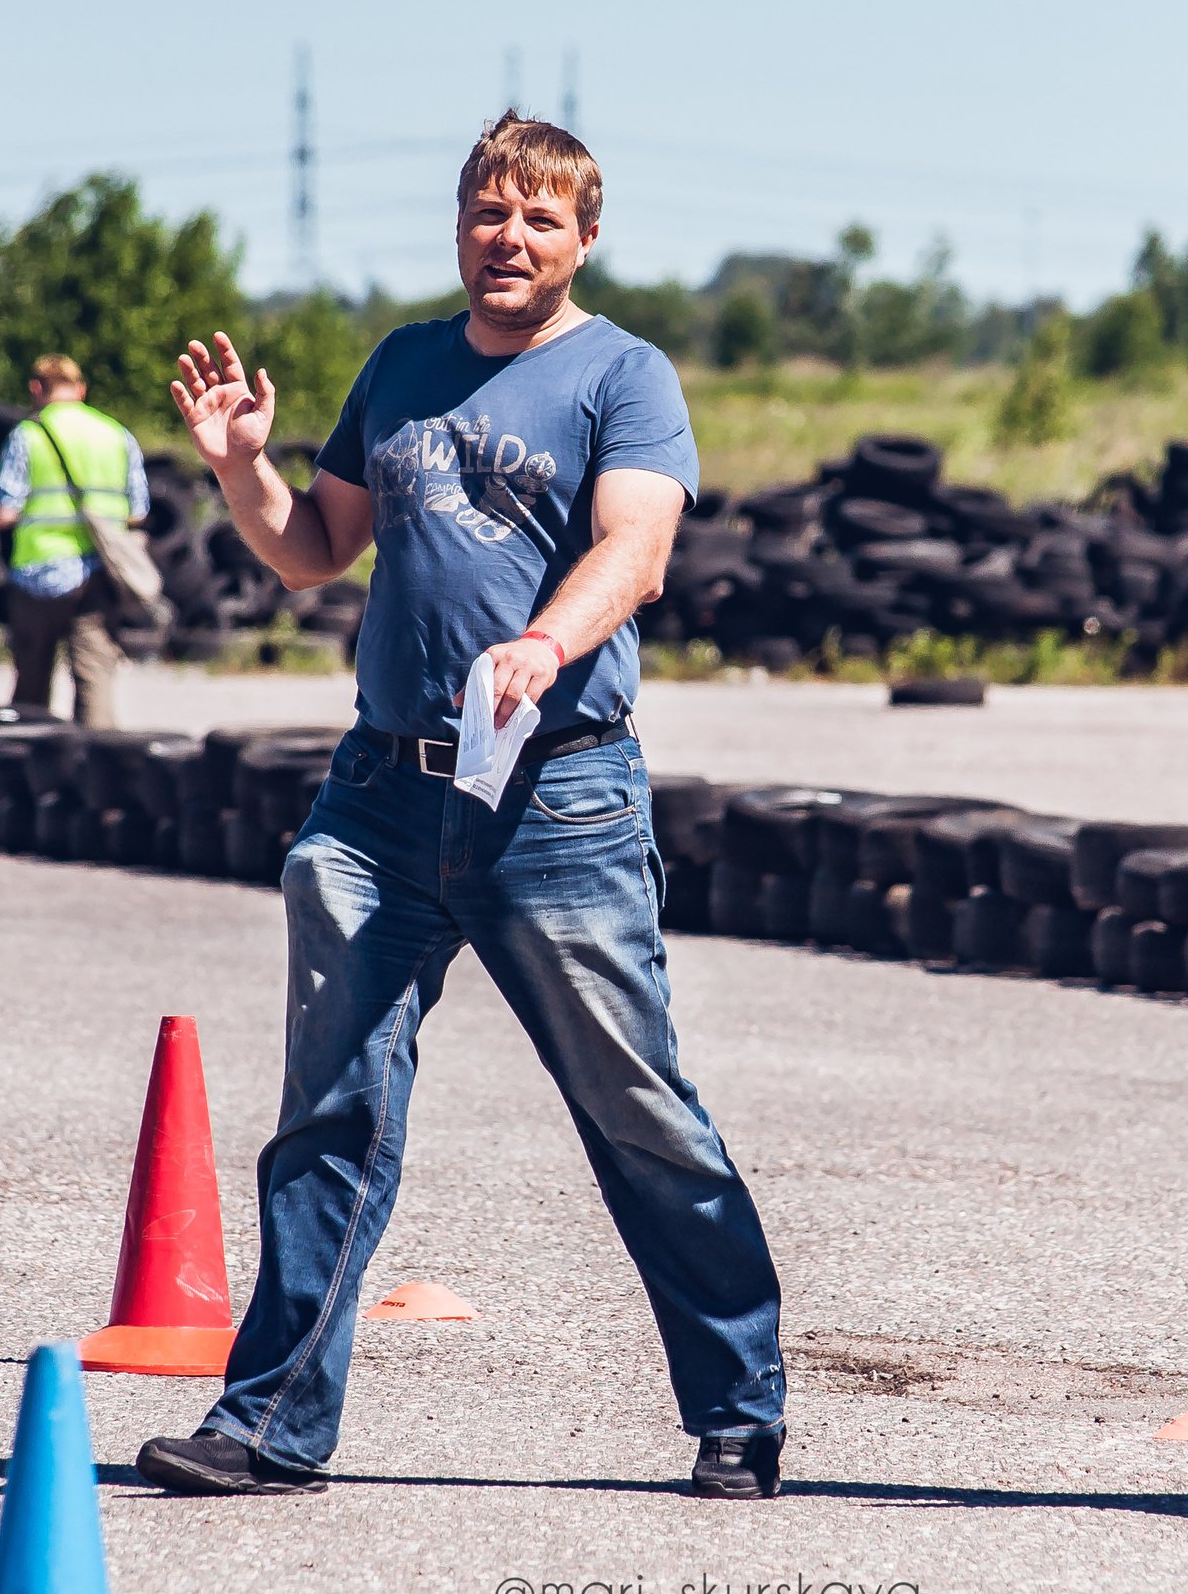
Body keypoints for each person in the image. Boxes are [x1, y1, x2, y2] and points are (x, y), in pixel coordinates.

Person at [133, 112, 790, 1500]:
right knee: (329, 1111)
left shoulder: (626, 373)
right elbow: (311, 553)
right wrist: (238, 461)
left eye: (540, 219)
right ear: (460, 224)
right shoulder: (405, 365)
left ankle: (739, 1405)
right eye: (490, 212)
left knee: (638, 1108)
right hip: (380, 798)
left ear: (583, 237)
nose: (510, 237)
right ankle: (269, 1425)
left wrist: (549, 643)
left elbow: (638, 541)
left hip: (557, 797)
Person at [0, 354, 148, 728]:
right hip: (99, 576)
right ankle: (97, 770)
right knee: (95, 685)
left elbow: (4, 512)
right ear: (81, 389)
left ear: (36, 388)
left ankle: (27, 769)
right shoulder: (117, 434)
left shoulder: (28, 434)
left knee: (31, 690)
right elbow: (137, 511)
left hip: (38, 575)